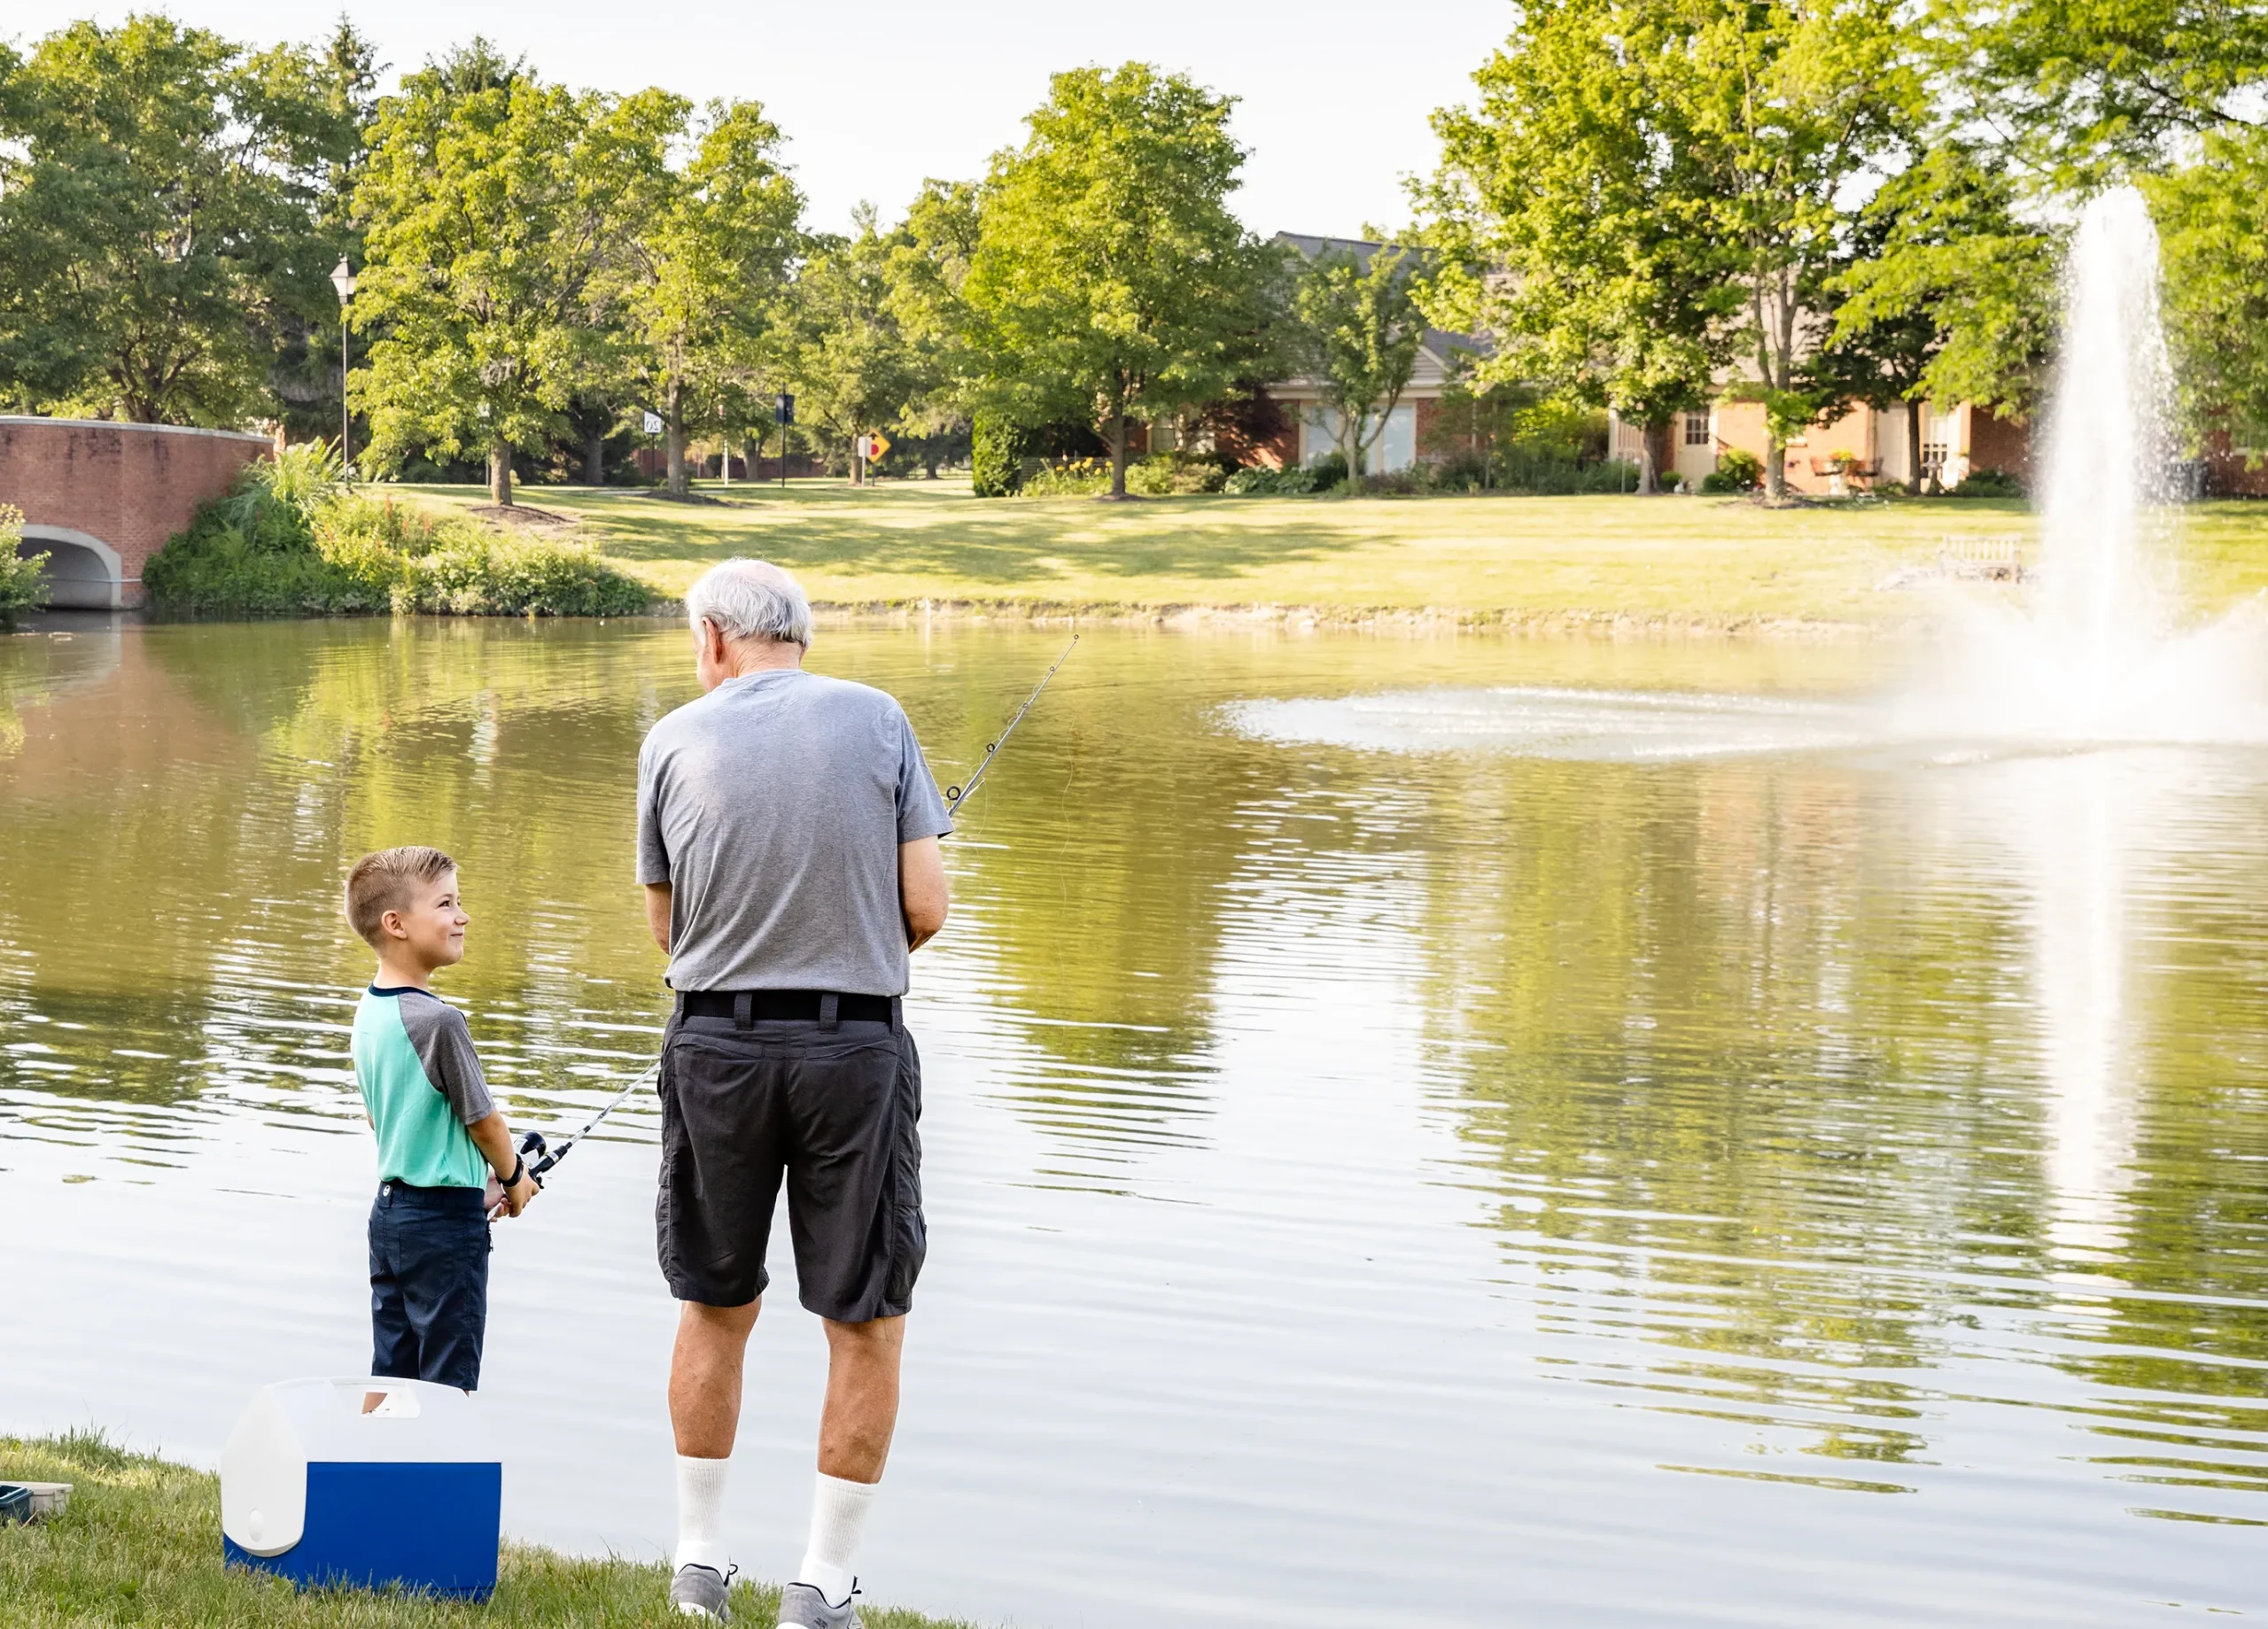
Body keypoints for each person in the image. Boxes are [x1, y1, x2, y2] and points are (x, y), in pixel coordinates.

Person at [638, 559, 951, 1627]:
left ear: (717, 639)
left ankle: (697, 1561)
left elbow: (666, 933)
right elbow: (927, 907)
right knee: (864, 1320)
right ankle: (821, 1582)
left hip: (713, 1047)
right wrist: (849, 934)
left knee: (714, 1305)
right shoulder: (880, 717)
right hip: (851, 1050)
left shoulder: (673, 737)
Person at [345, 845, 540, 1398]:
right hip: (442, 1231)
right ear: (396, 924)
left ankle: (372, 1472)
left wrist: (469, 1190)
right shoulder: (440, 1021)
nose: (463, 916)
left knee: (393, 1370)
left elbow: (388, 1116)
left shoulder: (371, 1011)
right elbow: (485, 1124)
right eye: (447, 904)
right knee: (446, 1387)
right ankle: (438, 1481)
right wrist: (513, 1177)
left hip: (391, 1215)